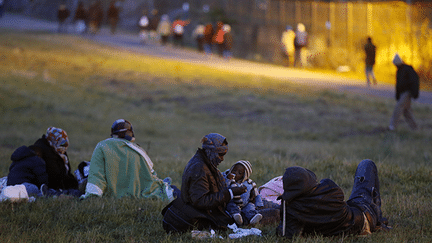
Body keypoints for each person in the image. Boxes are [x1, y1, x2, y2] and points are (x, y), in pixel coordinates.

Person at [277, 159, 391, 239]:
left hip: (353, 222)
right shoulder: (329, 188)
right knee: (366, 164)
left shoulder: (291, 208)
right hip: (364, 218)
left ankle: (378, 221)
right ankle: (378, 220)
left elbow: (287, 234)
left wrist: (285, 208)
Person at [161, 133, 247, 233]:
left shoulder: (204, 163)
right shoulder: (199, 168)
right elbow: (201, 201)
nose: (222, 159)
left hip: (209, 211)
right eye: (220, 155)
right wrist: (230, 193)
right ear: (210, 151)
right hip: (203, 215)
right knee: (256, 215)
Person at [81, 119, 176, 200]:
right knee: (176, 191)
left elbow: (96, 176)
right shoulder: (137, 150)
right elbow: (151, 175)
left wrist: (92, 195)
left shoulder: (102, 146)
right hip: (145, 193)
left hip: (113, 195)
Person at [32, 127, 79, 193]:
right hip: (51, 187)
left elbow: (66, 173)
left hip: (61, 186)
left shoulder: (58, 150)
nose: (63, 148)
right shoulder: (44, 152)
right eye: (62, 145)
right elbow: (54, 177)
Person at [223, 160, 263, 226]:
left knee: (250, 207)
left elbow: (256, 194)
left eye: (239, 172)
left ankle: (253, 217)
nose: (235, 173)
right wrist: (228, 179)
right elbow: (224, 185)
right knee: (231, 206)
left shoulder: (249, 183)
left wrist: (259, 204)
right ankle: (236, 216)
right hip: (233, 201)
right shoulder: (228, 179)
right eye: (234, 170)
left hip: (245, 203)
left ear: (244, 175)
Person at [389, 54, 419, 131]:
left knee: (398, 107)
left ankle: (392, 126)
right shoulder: (399, 71)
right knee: (406, 112)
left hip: (407, 92)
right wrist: (397, 95)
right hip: (402, 93)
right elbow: (398, 84)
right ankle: (414, 128)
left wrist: (414, 93)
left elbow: (415, 81)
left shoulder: (408, 69)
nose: (395, 66)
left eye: (396, 64)